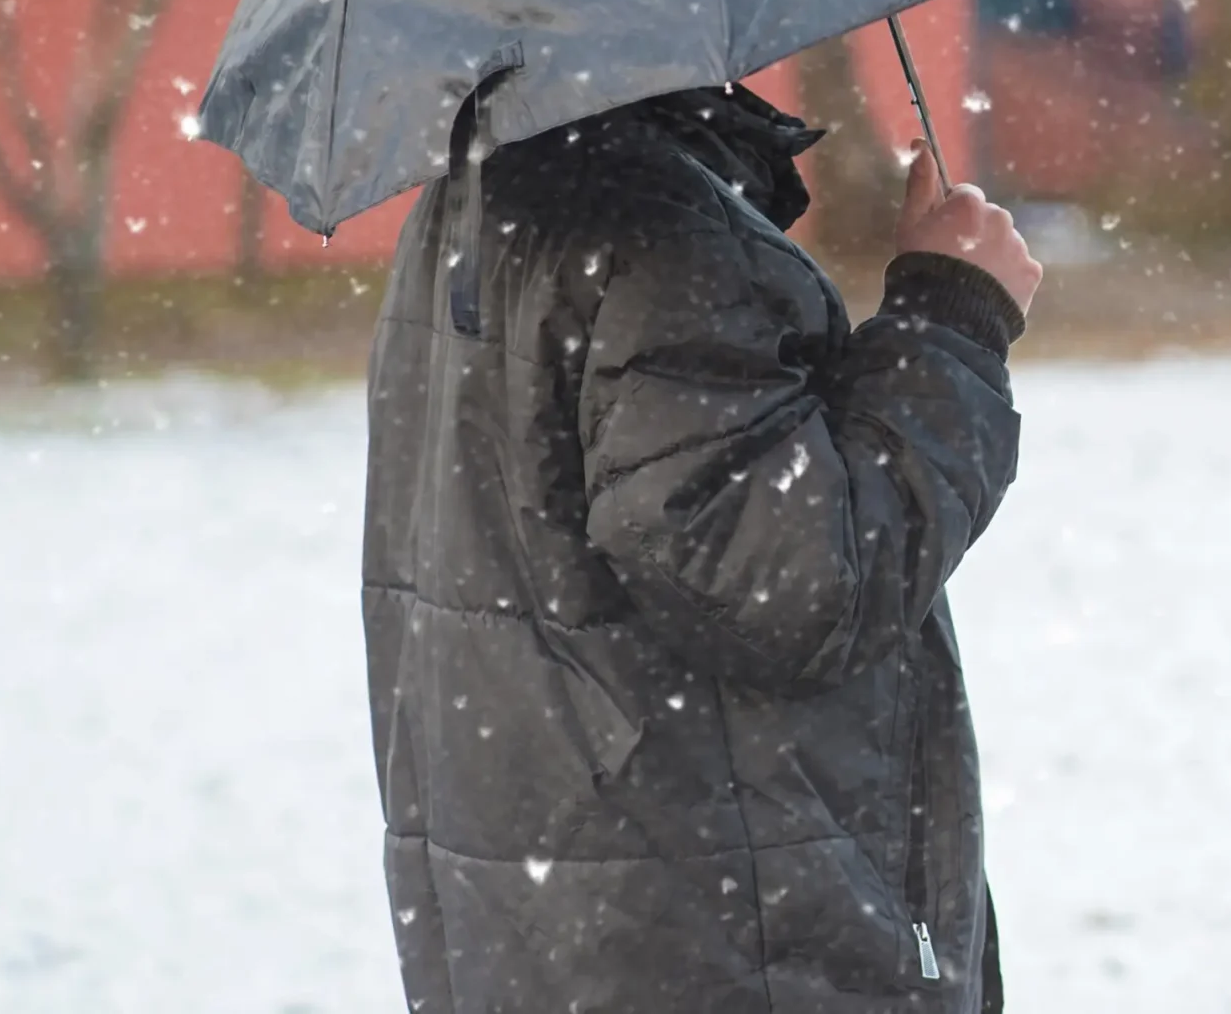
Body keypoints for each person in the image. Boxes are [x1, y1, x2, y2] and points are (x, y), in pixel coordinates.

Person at [363, 81, 1040, 1014]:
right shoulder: (657, 233)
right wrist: (951, 312)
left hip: (570, 916)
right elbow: (800, 588)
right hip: (731, 933)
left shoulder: (487, 191)